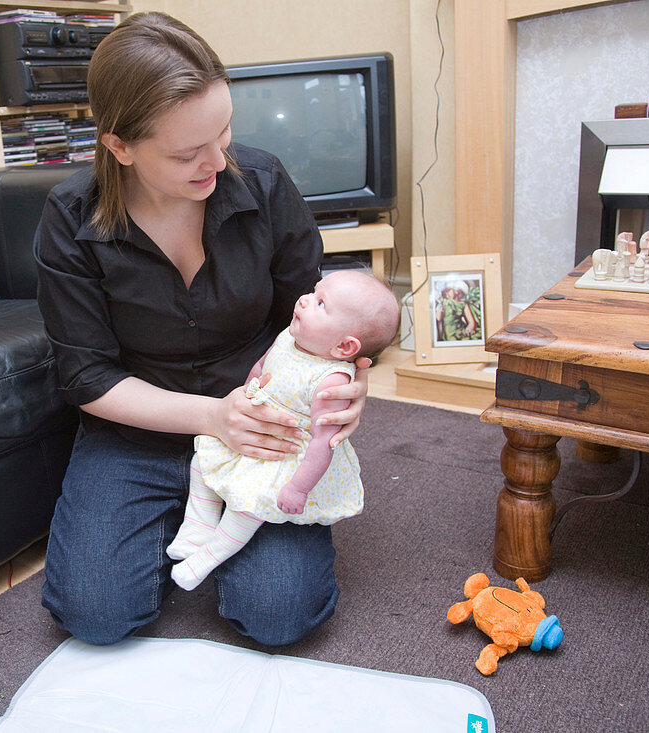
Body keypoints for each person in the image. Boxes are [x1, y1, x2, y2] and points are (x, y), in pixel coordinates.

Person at [33, 11, 372, 647]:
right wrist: (211, 418)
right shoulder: (70, 218)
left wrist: (349, 384)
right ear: (120, 147)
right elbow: (85, 375)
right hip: (137, 427)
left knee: (279, 616)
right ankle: (179, 518)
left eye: (224, 133)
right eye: (188, 152)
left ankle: (205, 520)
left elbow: (316, 312)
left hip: (264, 429)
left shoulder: (262, 183)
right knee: (96, 616)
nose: (217, 161)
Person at [167, 271, 400, 591]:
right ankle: (197, 528)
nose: (304, 300)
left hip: (287, 454)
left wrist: (299, 488)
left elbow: (323, 443)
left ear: (345, 346)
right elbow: (261, 368)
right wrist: (250, 388)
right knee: (202, 462)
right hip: (253, 429)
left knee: (250, 505)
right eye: (313, 292)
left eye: (320, 303)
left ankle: (206, 558)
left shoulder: (331, 381)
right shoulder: (289, 337)